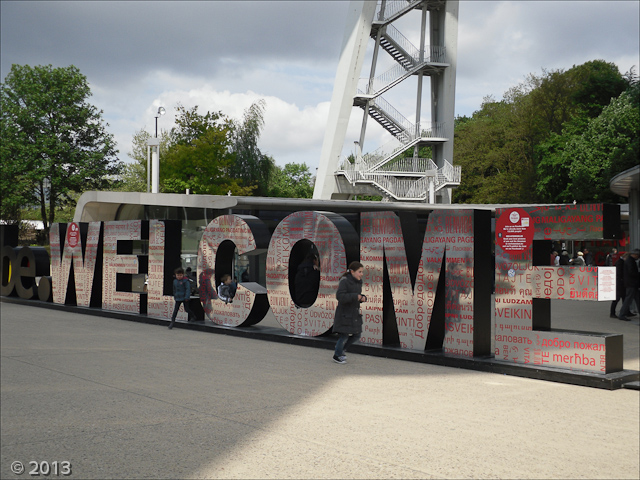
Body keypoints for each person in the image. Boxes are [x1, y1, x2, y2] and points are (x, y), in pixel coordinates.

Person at [332, 261, 366, 364]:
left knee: (357, 334)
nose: (361, 274)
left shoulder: (358, 282)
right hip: (345, 314)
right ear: (352, 272)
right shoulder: (344, 281)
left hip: (354, 313)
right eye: (359, 272)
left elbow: (356, 295)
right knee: (344, 335)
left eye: (362, 272)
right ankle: (337, 355)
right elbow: (340, 297)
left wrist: (362, 298)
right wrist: (355, 297)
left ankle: (341, 350)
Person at [618, 249, 640, 321]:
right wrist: (638, 275)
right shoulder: (631, 261)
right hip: (632, 283)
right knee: (629, 299)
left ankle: (622, 314)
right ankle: (622, 314)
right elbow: (632, 272)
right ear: (635, 255)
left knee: (635, 299)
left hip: (631, 283)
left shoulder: (629, 260)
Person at [610, 253, 627, 318]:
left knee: (622, 298)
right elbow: (620, 273)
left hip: (619, 282)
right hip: (620, 283)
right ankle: (613, 313)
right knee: (617, 298)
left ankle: (625, 311)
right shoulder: (621, 262)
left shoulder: (619, 261)